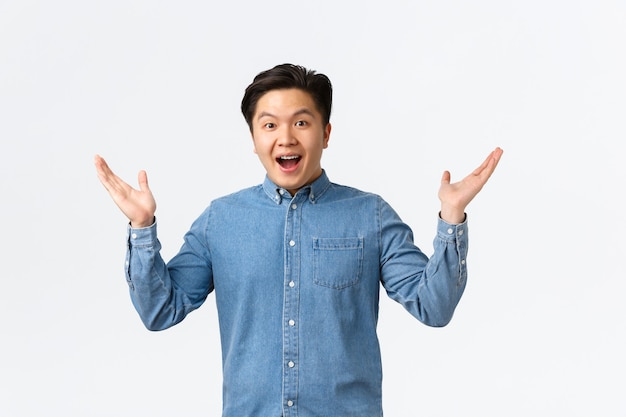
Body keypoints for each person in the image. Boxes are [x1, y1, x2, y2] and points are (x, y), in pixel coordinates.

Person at [94, 63, 503, 417]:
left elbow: (433, 307)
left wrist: (452, 217)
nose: (286, 137)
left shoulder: (370, 215)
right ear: (253, 139)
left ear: (325, 134)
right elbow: (160, 311)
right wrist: (142, 227)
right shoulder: (220, 220)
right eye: (269, 124)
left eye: (301, 122)